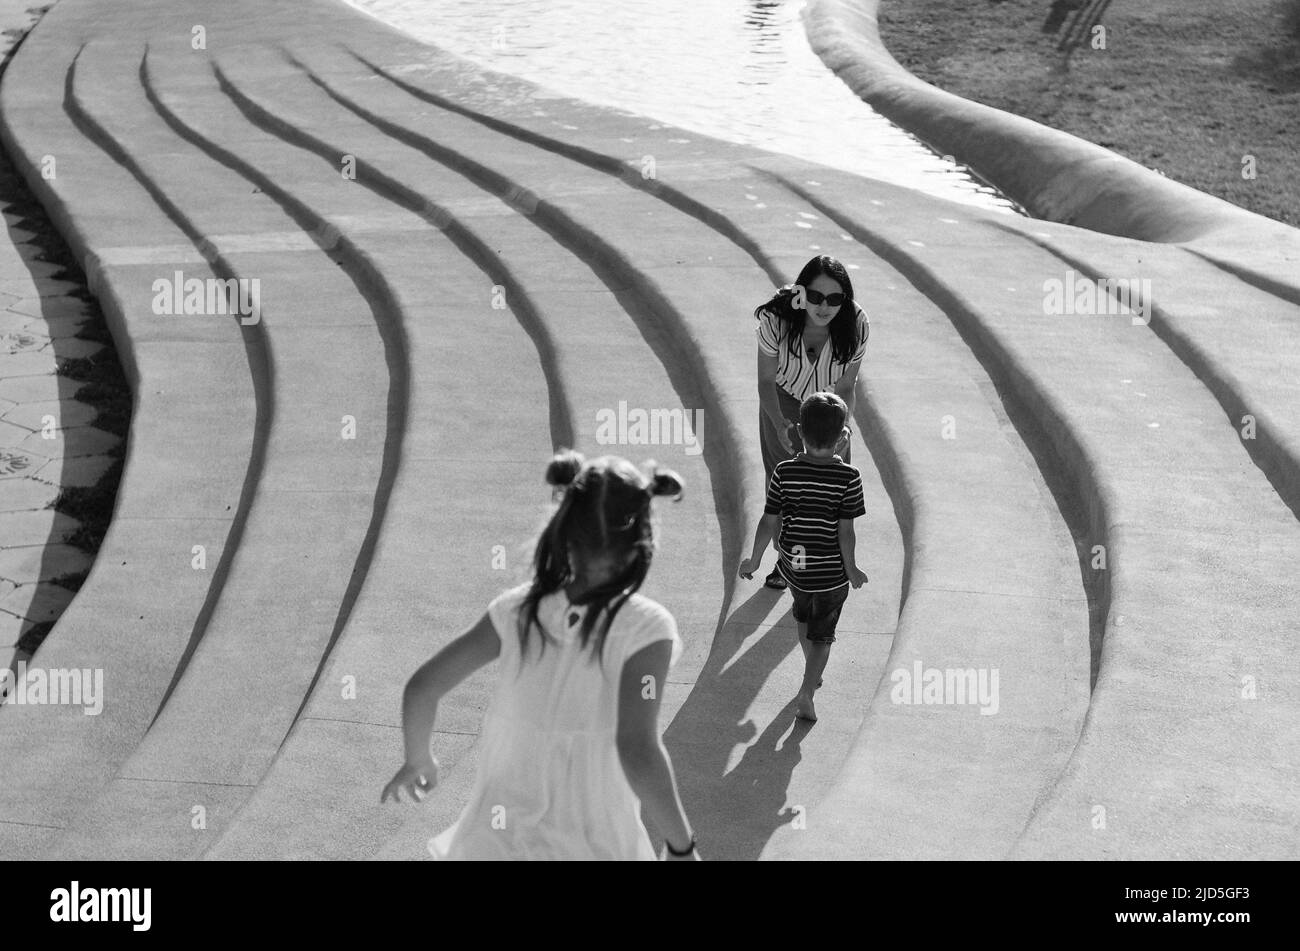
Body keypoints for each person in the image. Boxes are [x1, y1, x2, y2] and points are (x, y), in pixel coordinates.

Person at [381, 450, 700, 861]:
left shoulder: (516, 610)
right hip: (593, 843)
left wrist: (418, 759)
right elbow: (637, 748)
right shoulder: (646, 628)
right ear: (639, 542)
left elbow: (423, 686)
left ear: (564, 533)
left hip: (494, 842)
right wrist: (681, 847)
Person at [738, 392, 869, 722]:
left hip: (795, 569)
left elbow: (768, 520)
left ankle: (812, 670)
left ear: (799, 431)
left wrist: (754, 561)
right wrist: (851, 568)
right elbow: (845, 532)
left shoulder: (784, 472)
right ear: (842, 439)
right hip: (831, 574)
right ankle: (807, 690)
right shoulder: (849, 478)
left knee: (802, 618)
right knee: (823, 634)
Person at [754, 255, 869, 589]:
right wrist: (778, 423)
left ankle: (830, 563)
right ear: (801, 293)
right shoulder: (776, 319)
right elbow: (764, 381)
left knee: (833, 482)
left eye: (835, 299)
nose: (824, 306)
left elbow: (847, 386)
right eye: (816, 297)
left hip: (830, 404)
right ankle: (785, 562)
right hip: (783, 398)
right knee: (784, 482)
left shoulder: (857, 323)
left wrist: (845, 425)